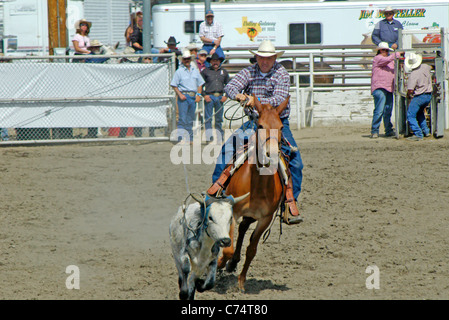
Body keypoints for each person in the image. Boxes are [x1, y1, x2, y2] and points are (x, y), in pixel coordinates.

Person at [209, 40, 303, 225]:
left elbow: (279, 98)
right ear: (257, 57)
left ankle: (289, 201)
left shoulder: (281, 74)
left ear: (275, 58)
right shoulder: (249, 71)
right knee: (228, 149)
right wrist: (238, 95)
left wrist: (255, 99)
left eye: (268, 58)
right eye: (262, 57)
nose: (265, 61)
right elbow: (230, 86)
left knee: (295, 161)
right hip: (254, 123)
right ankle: (217, 191)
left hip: (277, 123)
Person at [171, 50, 205, 143]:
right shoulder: (179, 71)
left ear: (190, 59)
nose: (187, 60)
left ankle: (190, 138)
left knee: (190, 118)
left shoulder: (195, 71)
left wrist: (198, 94)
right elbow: (174, 85)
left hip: (193, 97)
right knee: (182, 118)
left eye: (188, 59)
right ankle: (181, 138)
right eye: (185, 59)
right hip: (184, 96)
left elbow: (200, 84)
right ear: (182, 60)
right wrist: (180, 94)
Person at [370, 42, 403, 139]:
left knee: (387, 110)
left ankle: (387, 130)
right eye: (385, 50)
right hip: (380, 87)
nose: (386, 52)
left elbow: (391, 61)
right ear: (380, 50)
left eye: (387, 50)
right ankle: (375, 131)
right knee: (380, 110)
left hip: (389, 87)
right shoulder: (378, 58)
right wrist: (397, 53)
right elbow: (388, 59)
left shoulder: (389, 60)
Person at [201, 53, 230, 143]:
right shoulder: (205, 71)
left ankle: (220, 137)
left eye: (217, 61)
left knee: (219, 119)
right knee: (208, 118)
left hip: (220, 97)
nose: (215, 62)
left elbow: (229, 85)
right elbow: (199, 85)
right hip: (209, 96)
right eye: (213, 61)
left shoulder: (224, 72)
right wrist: (204, 95)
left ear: (219, 62)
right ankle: (209, 138)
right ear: (211, 62)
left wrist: (226, 96)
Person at [405, 53, 433, 141]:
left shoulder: (413, 74)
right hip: (428, 94)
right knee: (420, 113)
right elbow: (432, 67)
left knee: (410, 115)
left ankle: (418, 133)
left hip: (419, 96)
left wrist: (408, 95)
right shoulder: (425, 67)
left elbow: (410, 89)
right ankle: (426, 131)